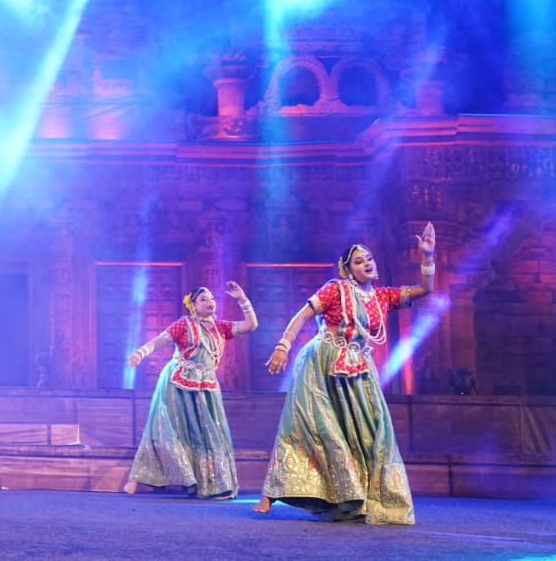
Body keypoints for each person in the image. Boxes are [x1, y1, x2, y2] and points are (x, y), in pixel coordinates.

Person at [253, 222, 437, 524]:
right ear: (348, 270)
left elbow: (425, 290)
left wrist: (427, 256)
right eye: (359, 261)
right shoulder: (335, 289)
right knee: (319, 428)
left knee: (370, 431)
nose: (367, 263)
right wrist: (283, 346)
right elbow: (303, 315)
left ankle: (358, 496)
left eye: (369, 258)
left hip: (359, 368)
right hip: (323, 362)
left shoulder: (383, 297)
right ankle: (272, 493)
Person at [123, 282, 257, 500]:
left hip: (206, 386)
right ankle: (136, 479)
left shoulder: (220, 327)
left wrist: (242, 299)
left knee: (207, 433)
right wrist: (141, 353)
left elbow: (250, 326)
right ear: (193, 305)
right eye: (204, 299)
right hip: (178, 383)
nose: (210, 302)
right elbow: (160, 341)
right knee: (167, 428)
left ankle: (207, 482)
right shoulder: (184, 324)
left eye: (212, 298)